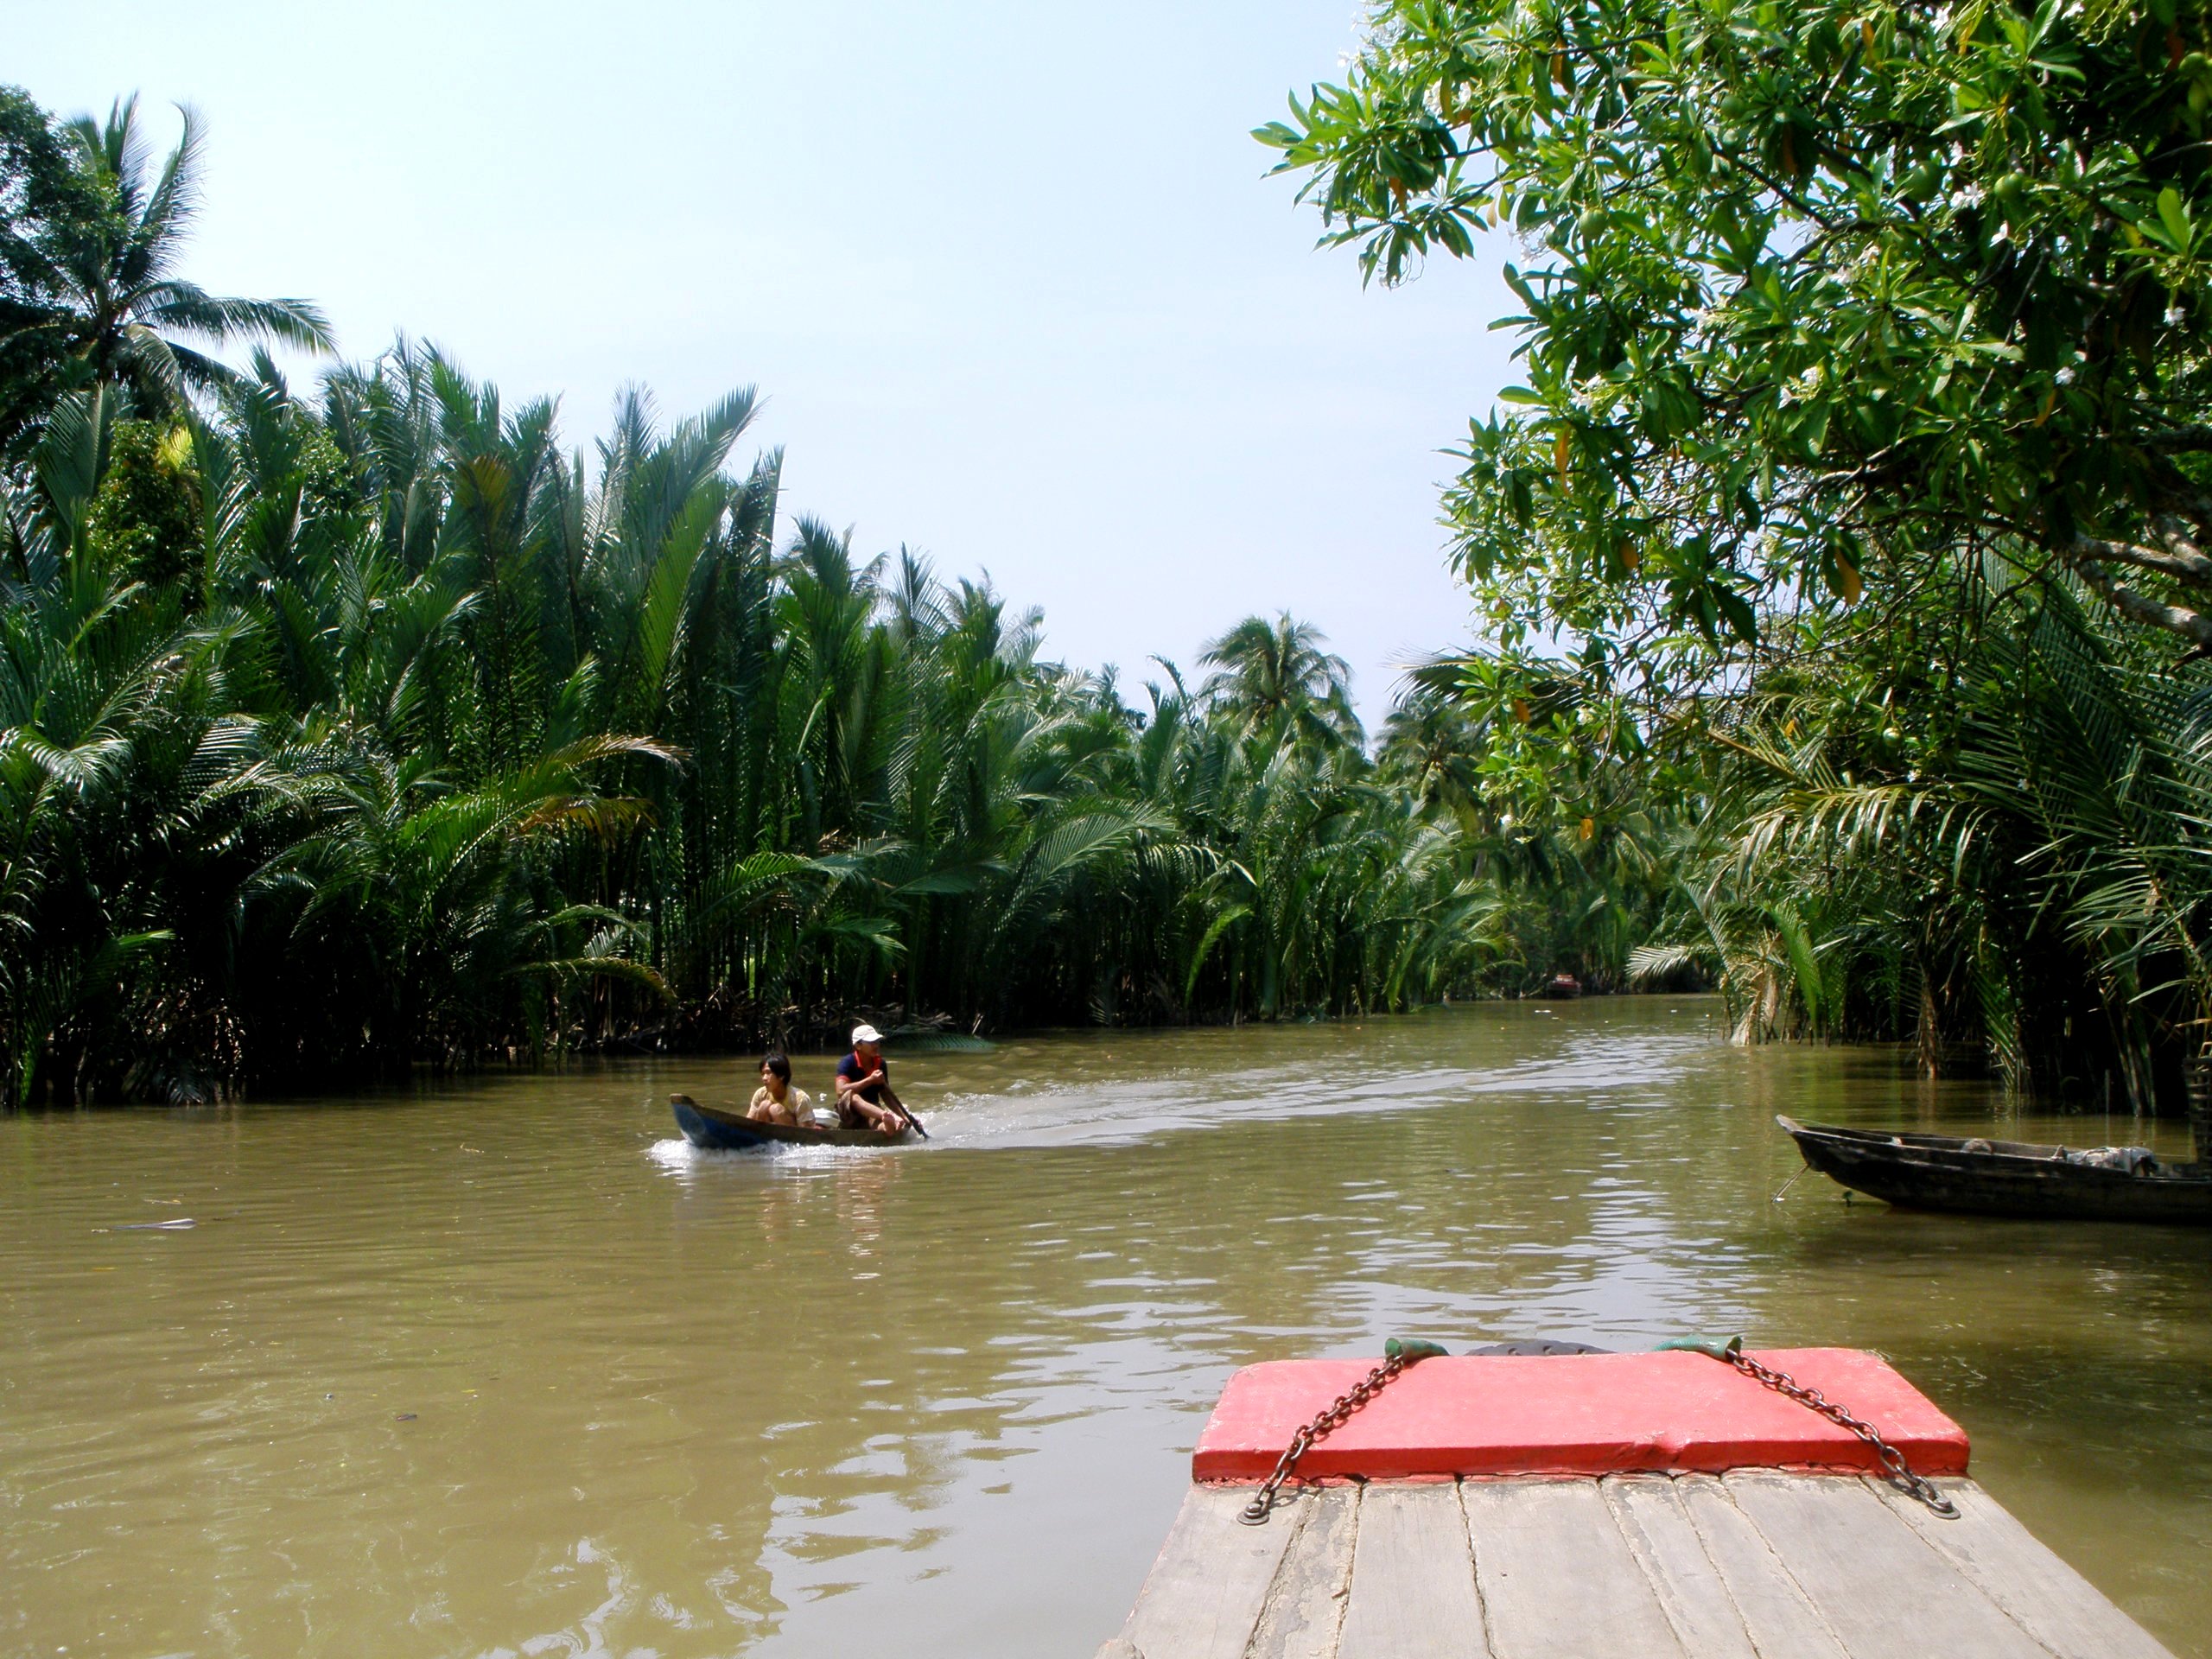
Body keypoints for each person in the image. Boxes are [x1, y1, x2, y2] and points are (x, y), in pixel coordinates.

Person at [834, 1024, 909, 1134]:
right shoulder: (847, 1062)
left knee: (883, 1125)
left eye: (877, 1042)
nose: (876, 1046)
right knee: (853, 1096)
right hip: (849, 1111)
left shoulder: (881, 1064)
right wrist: (870, 1080)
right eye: (871, 1043)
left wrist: (905, 1117)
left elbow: (886, 1095)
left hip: (872, 1110)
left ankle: (888, 1125)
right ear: (858, 1045)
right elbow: (840, 1091)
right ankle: (886, 1115)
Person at [747, 1052, 817, 1127]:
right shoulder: (760, 1094)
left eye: (768, 1073)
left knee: (775, 1110)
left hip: (792, 1134)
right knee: (764, 1105)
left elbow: (807, 1132)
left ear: (781, 1076)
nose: (764, 1078)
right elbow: (749, 1120)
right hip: (766, 1134)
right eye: (763, 1074)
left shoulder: (800, 1099)